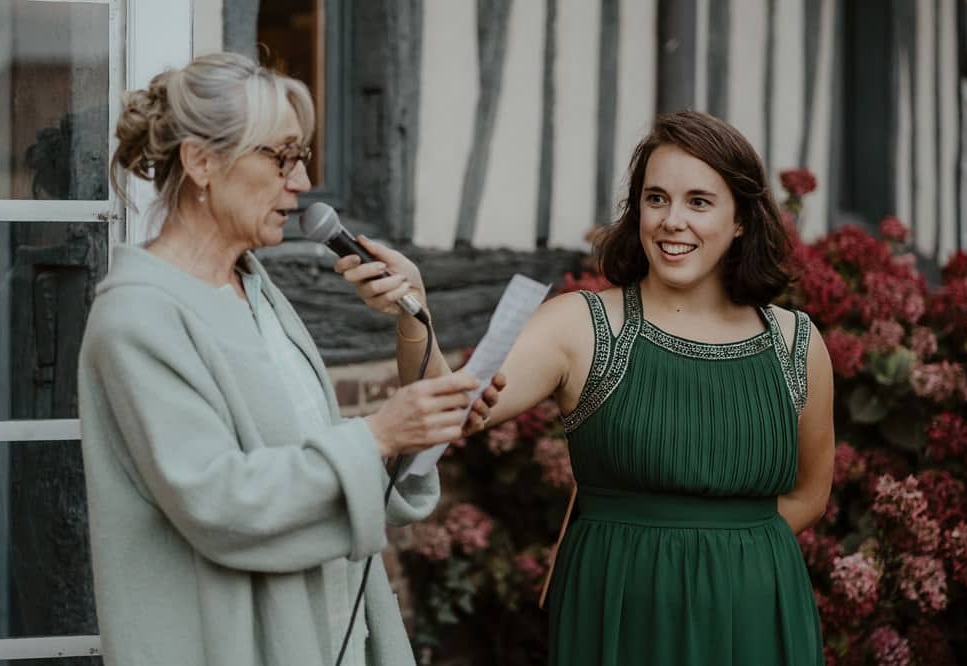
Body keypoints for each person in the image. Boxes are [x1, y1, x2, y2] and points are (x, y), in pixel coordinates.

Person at [337, 110, 834, 665]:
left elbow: (809, 496)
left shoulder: (797, 342)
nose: (672, 221)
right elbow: (445, 407)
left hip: (757, 613)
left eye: (699, 201)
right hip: (620, 607)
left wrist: (719, 563)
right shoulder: (581, 324)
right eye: (655, 198)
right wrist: (413, 311)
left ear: (740, 218)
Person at [78, 52, 500, 666]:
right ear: (201, 161)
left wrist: (414, 329)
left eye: (300, 158)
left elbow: (330, 473)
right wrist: (379, 434)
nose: (302, 184)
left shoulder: (254, 290)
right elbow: (221, 504)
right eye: (281, 157)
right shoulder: (137, 318)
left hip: (333, 636)